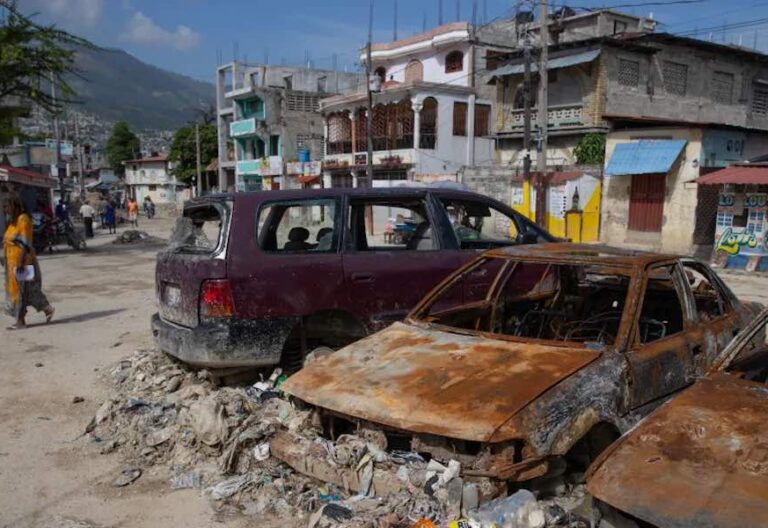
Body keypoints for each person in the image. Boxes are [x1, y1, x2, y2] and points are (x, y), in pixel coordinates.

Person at [2, 195, 54, 329]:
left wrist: (20, 262)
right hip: (12, 262)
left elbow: (26, 243)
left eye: (6, 206)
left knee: (22, 291)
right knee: (24, 290)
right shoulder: (12, 222)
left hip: (22, 262)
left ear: (15, 206)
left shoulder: (23, 219)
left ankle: (21, 321)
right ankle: (45, 309)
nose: (4, 210)